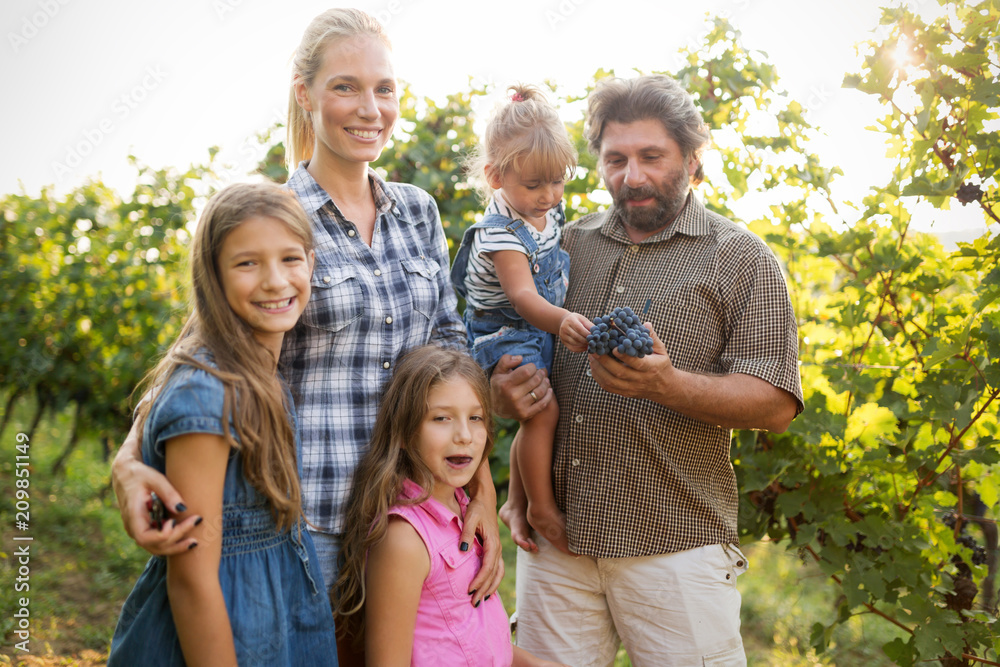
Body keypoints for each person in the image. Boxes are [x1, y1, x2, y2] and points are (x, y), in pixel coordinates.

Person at [110, 8, 508, 610]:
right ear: (306, 95)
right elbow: (202, 352)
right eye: (345, 87)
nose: (370, 109)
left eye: (384, 88)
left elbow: (450, 355)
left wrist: (477, 486)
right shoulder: (277, 218)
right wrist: (126, 464)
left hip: (414, 515)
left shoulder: (418, 211)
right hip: (310, 523)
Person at [494, 74, 804, 666]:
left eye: (651, 157)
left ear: (692, 158)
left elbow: (776, 403)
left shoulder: (740, 259)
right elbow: (514, 355)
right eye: (616, 159)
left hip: (674, 547)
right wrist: (502, 393)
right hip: (557, 544)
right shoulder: (564, 245)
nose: (631, 177)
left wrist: (667, 384)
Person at [107, 182, 338, 666]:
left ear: (312, 264)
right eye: (247, 263)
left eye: (291, 259)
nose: (275, 281)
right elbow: (192, 579)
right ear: (212, 275)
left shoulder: (262, 374)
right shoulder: (209, 396)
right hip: (223, 636)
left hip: (277, 621)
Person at [333, 346, 567, 667]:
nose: (464, 435)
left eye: (476, 418)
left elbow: (476, 640)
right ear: (403, 432)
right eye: (441, 418)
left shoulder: (464, 510)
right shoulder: (404, 539)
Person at [450, 84, 592, 554]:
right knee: (542, 410)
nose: (549, 196)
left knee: (538, 414)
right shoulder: (500, 234)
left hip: (533, 325)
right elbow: (524, 297)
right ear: (495, 176)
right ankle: (541, 509)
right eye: (535, 185)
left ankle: (515, 501)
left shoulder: (543, 210)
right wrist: (565, 319)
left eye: (558, 182)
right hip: (505, 330)